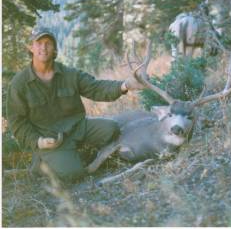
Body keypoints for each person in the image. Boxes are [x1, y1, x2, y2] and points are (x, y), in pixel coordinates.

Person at [6, 27, 144, 182]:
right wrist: (38, 141)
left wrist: (124, 85)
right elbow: (17, 122)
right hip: (50, 139)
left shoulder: (69, 74)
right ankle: (41, 163)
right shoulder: (20, 83)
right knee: (74, 175)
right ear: (30, 47)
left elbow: (96, 88)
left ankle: (72, 154)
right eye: (38, 43)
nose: (43, 48)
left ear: (54, 48)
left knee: (111, 129)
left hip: (77, 128)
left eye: (48, 43)